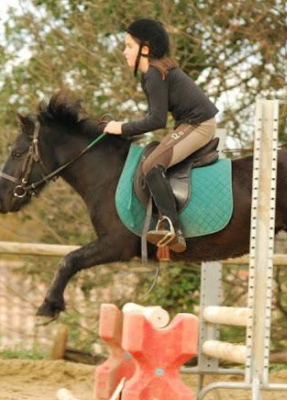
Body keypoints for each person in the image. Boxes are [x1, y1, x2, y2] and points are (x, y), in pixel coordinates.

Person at [103, 18, 218, 253]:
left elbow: (156, 120)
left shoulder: (154, 74)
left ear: (145, 49)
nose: (124, 52)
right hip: (190, 124)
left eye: (129, 46)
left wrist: (121, 128)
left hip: (198, 125)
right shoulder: (152, 74)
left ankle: (172, 227)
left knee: (152, 165)